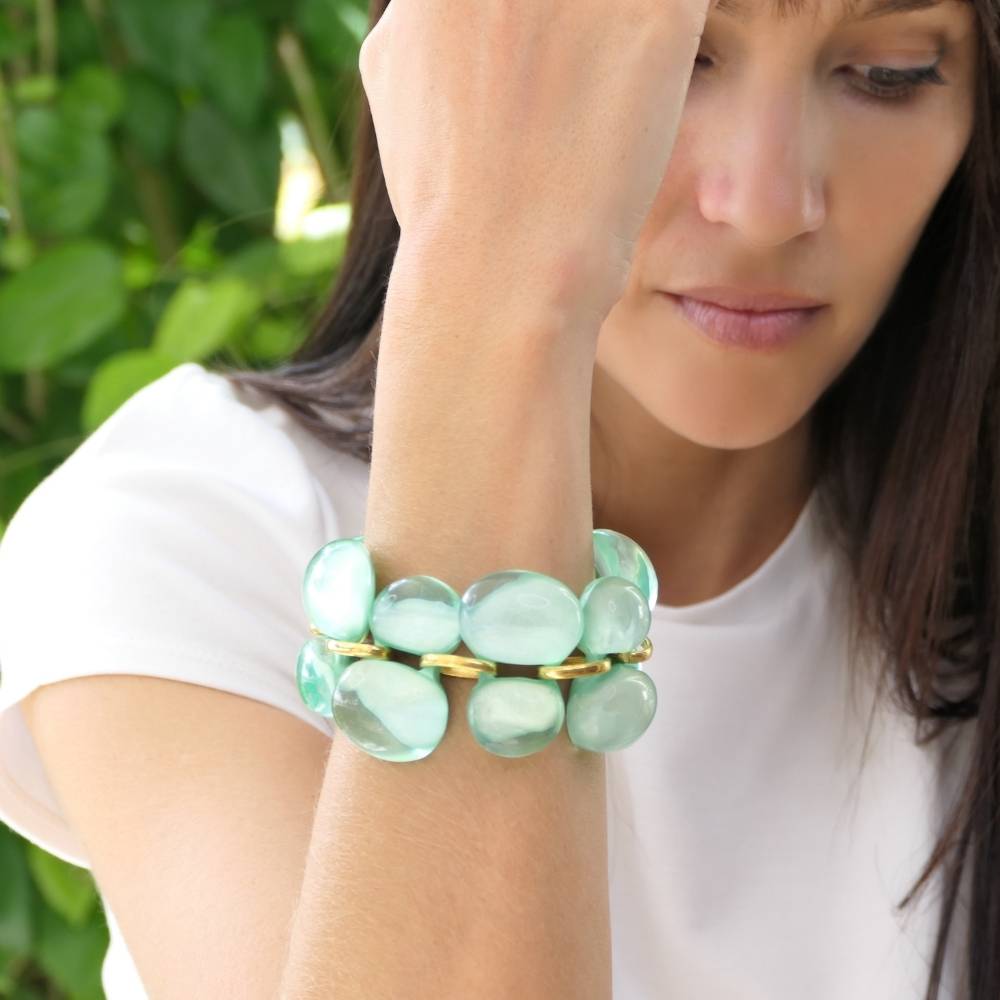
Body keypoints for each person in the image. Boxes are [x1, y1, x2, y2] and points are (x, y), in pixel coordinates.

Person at [0, 0, 992, 995]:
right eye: (678, 60)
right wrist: (496, 278)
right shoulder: (188, 534)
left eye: (890, 71)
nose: (767, 204)